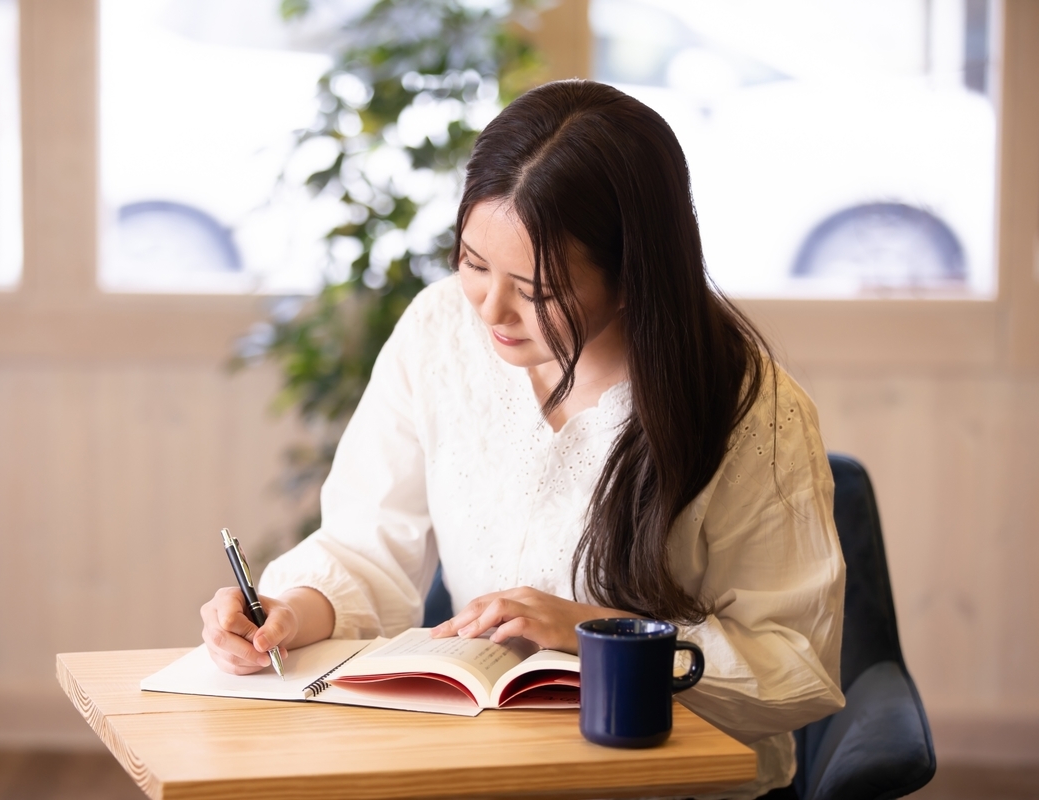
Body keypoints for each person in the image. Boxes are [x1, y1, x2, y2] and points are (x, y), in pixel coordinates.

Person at [201, 79, 845, 800]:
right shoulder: (441, 330)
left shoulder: (751, 410)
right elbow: (365, 545)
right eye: (474, 263)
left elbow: (797, 670)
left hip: (670, 782)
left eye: (536, 290)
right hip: (495, 767)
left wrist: (592, 632)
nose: (490, 309)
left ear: (632, 274)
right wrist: (290, 613)